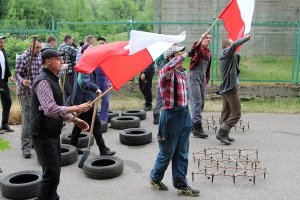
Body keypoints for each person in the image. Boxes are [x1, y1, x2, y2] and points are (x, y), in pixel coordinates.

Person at [31, 49, 91, 200]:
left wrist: (76, 120)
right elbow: (50, 109)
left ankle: (53, 197)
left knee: (54, 172)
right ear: (48, 62)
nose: (61, 62)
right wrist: (77, 108)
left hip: (51, 132)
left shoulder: (53, 79)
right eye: (58, 59)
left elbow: (59, 107)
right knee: (51, 174)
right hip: (42, 134)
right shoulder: (43, 81)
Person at [149, 46, 200, 196]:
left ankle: (181, 185)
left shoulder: (182, 73)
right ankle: (155, 178)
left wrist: (197, 45)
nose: (184, 57)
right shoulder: (165, 73)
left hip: (184, 115)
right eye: (179, 53)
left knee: (182, 152)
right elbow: (168, 66)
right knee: (167, 152)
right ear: (172, 58)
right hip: (170, 117)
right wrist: (185, 54)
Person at [70, 69, 116, 156]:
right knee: (96, 125)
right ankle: (103, 149)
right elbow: (83, 82)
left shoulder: (85, 64)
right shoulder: (85, 66)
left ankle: (73, 148)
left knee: (78, 125)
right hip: (84, 102)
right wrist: (96, 89)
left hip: (81, 100)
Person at [216, 35, 251, 145]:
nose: (234, 47)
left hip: (227, 87)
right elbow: (235, 44)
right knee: (236, 113)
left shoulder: (228, 56)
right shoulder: (227, 53)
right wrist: (245, 38)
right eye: (231, 44)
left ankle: (224, 134)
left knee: (226, 112)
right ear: (227, 45)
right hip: (230, 88)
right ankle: (221, 133)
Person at [14, 38, 42, 158]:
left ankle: (34, 142)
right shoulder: (24, 58)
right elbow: (16, 74)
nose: (39, 50)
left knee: (36, 117)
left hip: (36, 91)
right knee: (27, 118)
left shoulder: (40, 56)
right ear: (31, 46)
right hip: (25, 92)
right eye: (37, 47)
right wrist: (23, 81)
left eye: (40, 47)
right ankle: (26, 146)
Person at [189, 32, 212, 139]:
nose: (208, 39)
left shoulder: (208, 53)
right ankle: (197, 127)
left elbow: (207, 69)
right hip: (194, 75)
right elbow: (194, 49)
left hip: (202, 77)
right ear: (203, 39)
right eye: (207, 38)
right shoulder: (199, 49)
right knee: (197, 101)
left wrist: (207, 81)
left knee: (202, 101)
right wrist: (200, 38)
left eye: (210, 38)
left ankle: (193, 123)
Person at [95, 36, 111, 122]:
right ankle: (93, 119)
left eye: (103, 43)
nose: (101, 44)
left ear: (106, 44)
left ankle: (103, 120)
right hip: (96, 79)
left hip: (106, 80)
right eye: (99, 43)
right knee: (93, 100)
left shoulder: (109, 54)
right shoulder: (94, 53)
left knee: (106, 100)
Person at [0, 35, 14, 134]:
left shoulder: (3, 51)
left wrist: (10, 76)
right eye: (0, 42)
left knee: (7, 101)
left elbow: (6, 65)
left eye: (2, 42)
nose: (2, 44)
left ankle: (4, 124)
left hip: (2, 81)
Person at [58, 34, 77, 102]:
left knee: (66, 92)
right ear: (68, 39)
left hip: (62, 72)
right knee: (71, 91)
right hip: (68, 72)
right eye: (72, 39)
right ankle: (71, 107)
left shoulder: (60, 46)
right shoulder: (68, 47)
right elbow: (78, 52)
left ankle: (66, 107)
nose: (72, 41)